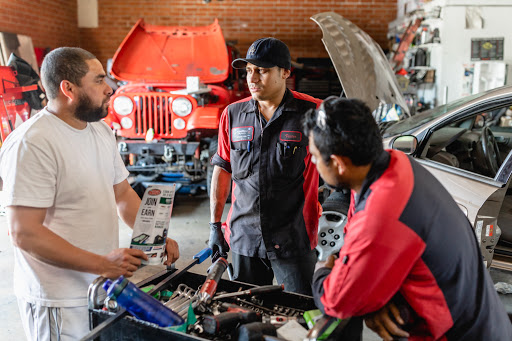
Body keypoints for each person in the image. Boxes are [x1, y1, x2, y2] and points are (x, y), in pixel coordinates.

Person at [0, 47, 180, 340]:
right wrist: (103, 264)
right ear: (68, 88)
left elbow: (122, 194)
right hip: (58, 299)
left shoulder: (101, 131)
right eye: (98, 80)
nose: (109, 89)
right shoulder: (33, 143)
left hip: (99, 290)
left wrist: (155, 236)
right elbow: (24, 233)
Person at [305, 97, 512, 340]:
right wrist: (370, 302)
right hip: (477, 316)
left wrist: (322, 270)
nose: (314, 164)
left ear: (339, 163)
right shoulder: (394, 163)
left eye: (315, 157)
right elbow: (356, 241)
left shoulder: (382, 212)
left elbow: (337, 300)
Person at [208, 37, 322, 295]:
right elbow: (223, 168)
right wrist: (215, 226)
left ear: (284, 72)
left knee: (300, 316)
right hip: (244, 238)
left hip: (294, 239)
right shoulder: (232, 115)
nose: (253, 78)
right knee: (243, 314)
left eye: (262, 70)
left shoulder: (313, 113)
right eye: (249, 70)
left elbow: (340, 166)